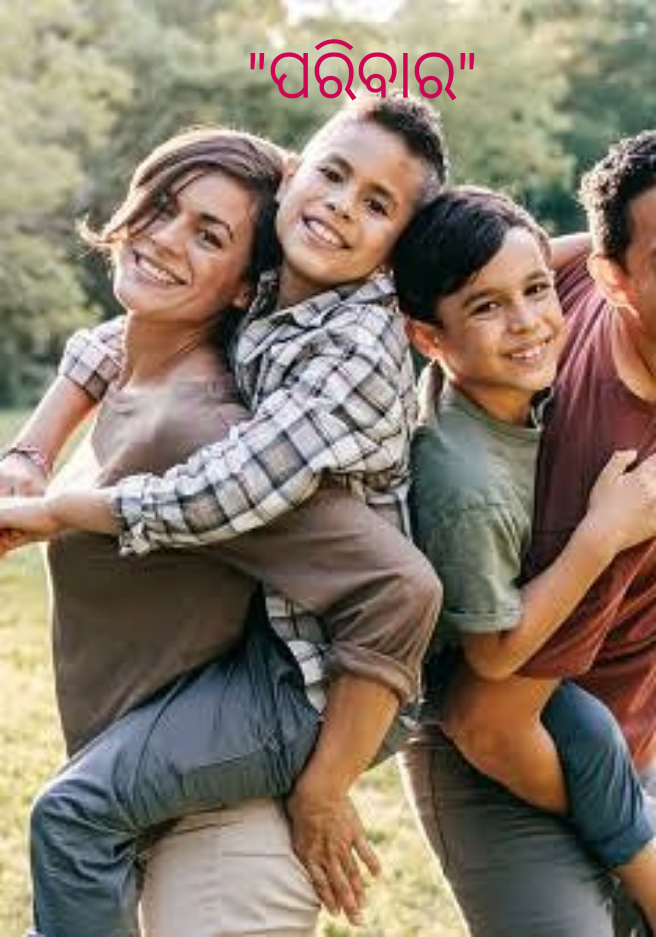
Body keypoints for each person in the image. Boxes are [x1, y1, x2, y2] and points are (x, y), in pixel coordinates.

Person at [0, 93, 446, 936]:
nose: (340, 205)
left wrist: (57, 509)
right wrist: (34, 445)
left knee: (72, 814)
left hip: (312, 681)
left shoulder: (299, 378)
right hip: (250, 676)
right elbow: (123, 338)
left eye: (210, 234)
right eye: (332, 175)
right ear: (299, 173)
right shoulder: (268, 306)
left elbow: (393, 585)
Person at [397, 136, 656, 936]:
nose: (525, 319)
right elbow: (489, 702)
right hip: (509, 749)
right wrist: (623, 836)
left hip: (618, 726)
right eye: (488, 306)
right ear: (617, 279)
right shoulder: (612, 475)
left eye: (534, 289)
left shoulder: (562, 283)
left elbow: (525, 259)